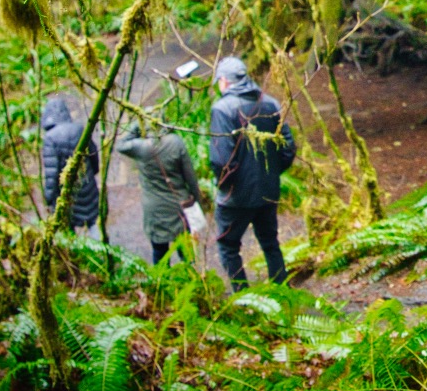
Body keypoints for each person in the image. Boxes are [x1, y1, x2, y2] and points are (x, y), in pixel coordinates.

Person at [209, 56, 296, 289]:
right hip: (268, 191)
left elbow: (221, 159)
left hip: (235, 197)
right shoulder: (270, 103)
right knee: (270, 243)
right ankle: (282, 294)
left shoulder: (222, 109)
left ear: (225, 82)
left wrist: (225, 185)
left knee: (228, 246)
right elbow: (288, 147)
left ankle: (244, 299)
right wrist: (272, 174)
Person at [116, 128, 202, 265]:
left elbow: (120, 145)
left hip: (155, 210)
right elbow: (190, 178)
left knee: (160, 253)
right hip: (179, 207)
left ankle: (162, 283)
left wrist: (137, 127)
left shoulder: (140, 147)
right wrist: (197, 201)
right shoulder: (175, 142)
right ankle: (191, 281)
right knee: (186, 253)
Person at [41, 96, 99, 231]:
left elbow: (52, 173)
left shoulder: (50, 138)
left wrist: (49, 199)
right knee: (92, 223)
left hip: (68, 193)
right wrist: (93, 172)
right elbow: (93, 153)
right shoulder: (79, 129)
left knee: (69, 227)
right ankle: (101, 249)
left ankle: (76, 250)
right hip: (87, 184)